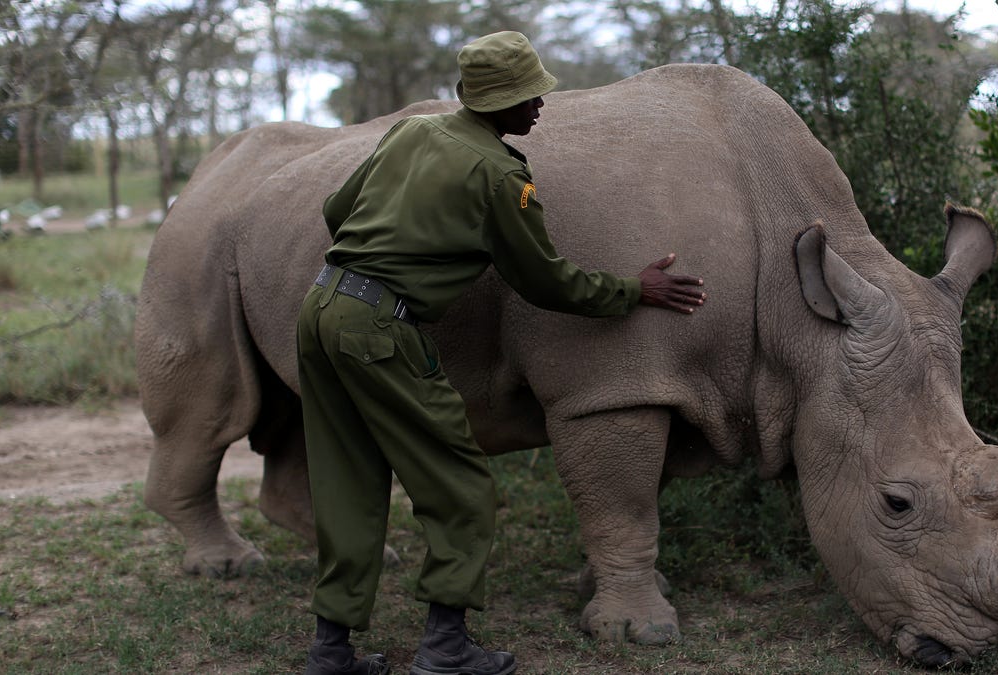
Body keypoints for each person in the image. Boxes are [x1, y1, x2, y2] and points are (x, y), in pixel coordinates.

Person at [296, 30, 706, 675]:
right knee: (461, 488)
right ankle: (445, 648)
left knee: (347, 479)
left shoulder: (412, 133)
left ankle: (330, 651)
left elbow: (336, 209)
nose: (541, 106)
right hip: (379, 327)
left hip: (322, 308)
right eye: (529, 96)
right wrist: (635, 289)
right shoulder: (498, 173)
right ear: (498, 105)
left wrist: (399, 245)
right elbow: (544, 281)